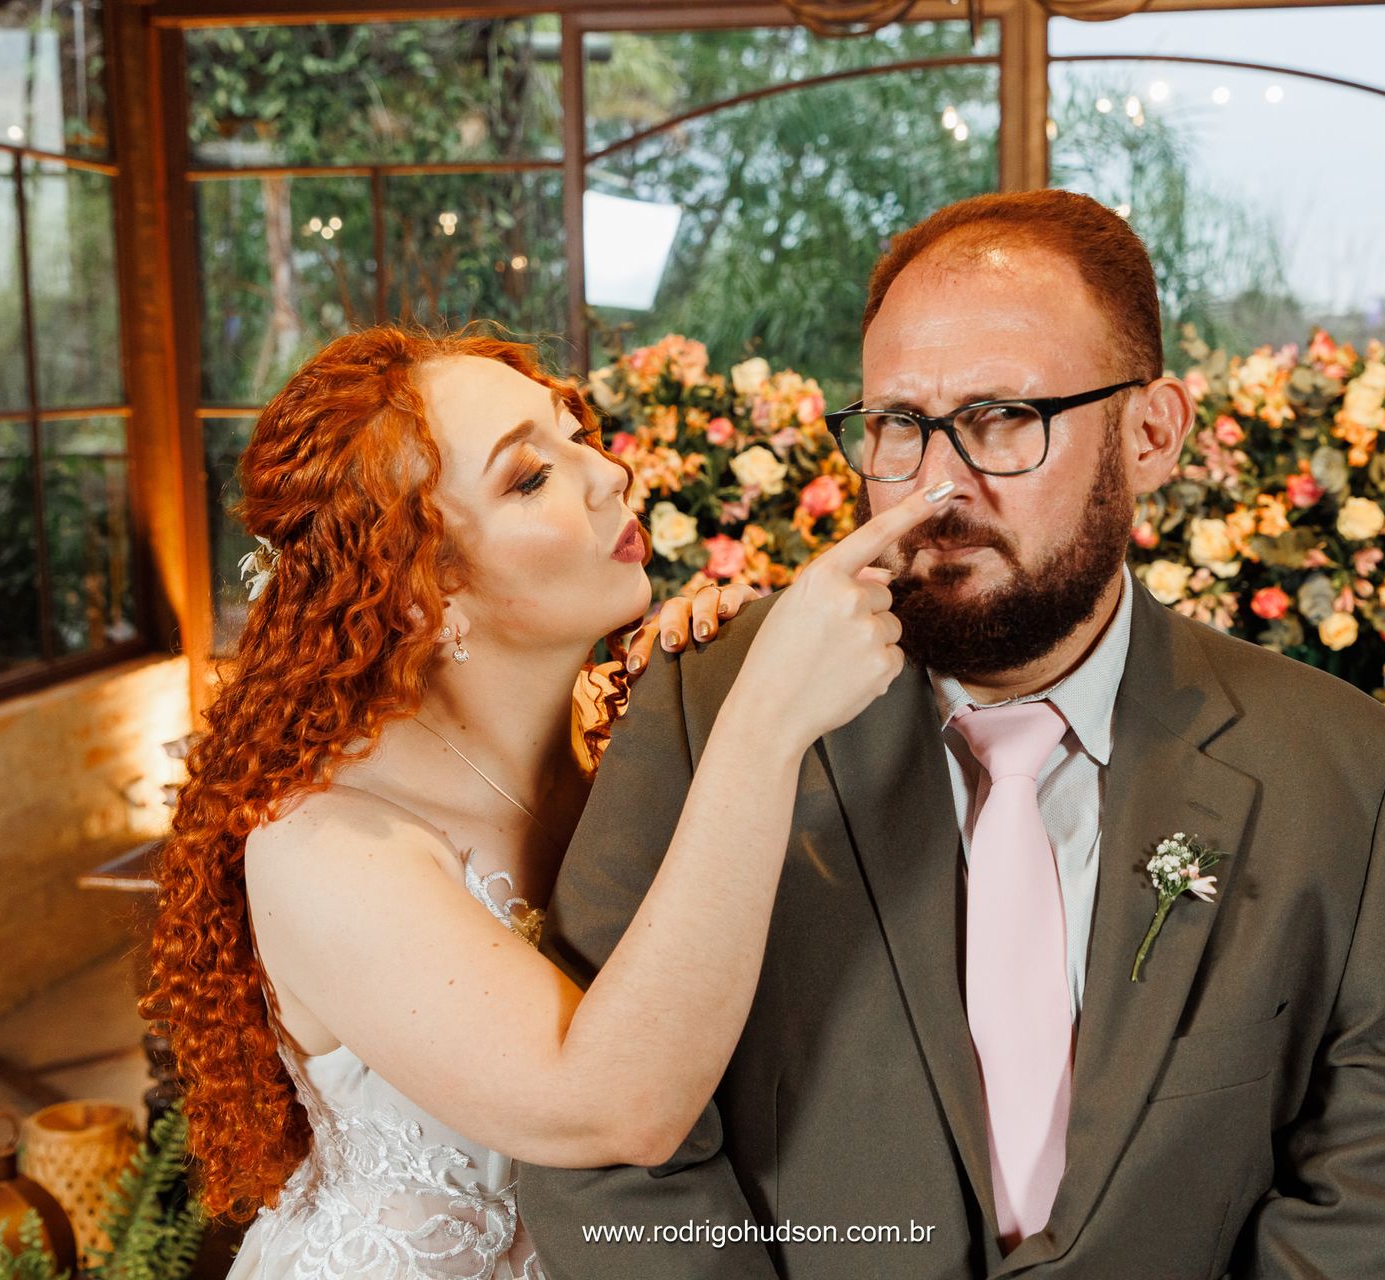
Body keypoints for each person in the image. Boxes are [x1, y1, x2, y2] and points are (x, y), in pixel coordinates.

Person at [515, 189, 1385, 1280]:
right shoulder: (707, 708)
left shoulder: (1342, 769)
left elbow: (1376, 1189)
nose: (935, 487)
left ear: (1152, 433)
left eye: (1003, 419)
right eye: (898, 425)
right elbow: (608, 1162)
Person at [142, 324, 951, 1279]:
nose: (607, 474)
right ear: (417, 592)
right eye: (529, 477)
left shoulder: (625, 727)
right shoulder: (325, 843)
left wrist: (714, 683)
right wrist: (760, 725)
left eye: (576, 435)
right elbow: (618, 1106)